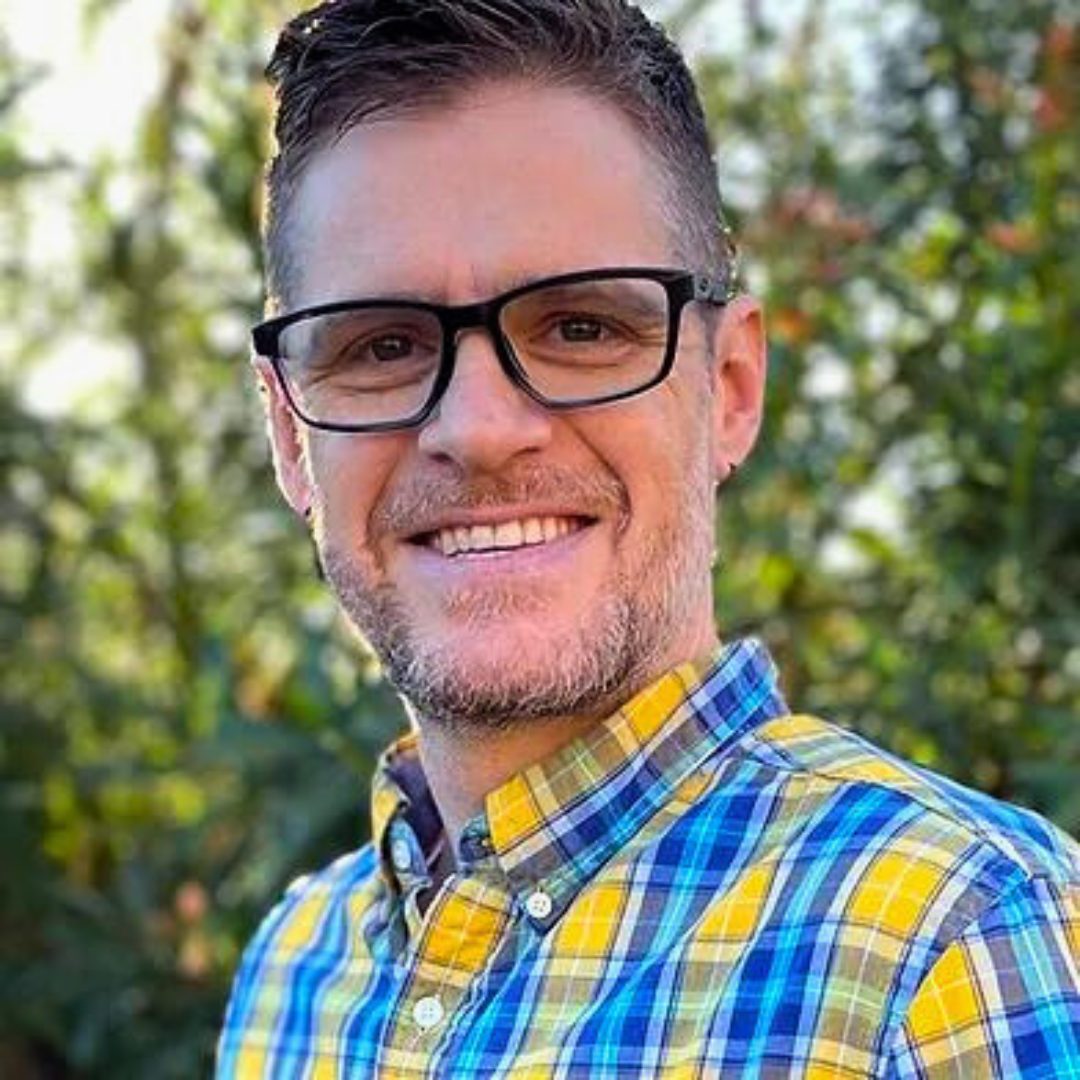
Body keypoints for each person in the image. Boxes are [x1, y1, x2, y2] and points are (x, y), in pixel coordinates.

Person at [217, 1, 1080, 1075]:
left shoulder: (954, 945)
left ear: (730, 385)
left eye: (581, 327)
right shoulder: (294, 971)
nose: (479, 430)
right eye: (381, 345)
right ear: (290, 436)